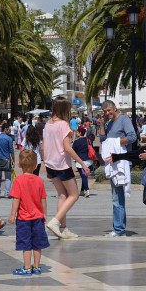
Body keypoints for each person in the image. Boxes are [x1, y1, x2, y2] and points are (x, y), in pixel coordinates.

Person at [43, 97, 90, 239]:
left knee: (62, 195)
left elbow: (43, 146)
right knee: (74, 195)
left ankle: (63, 229)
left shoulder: (47, 124)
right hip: (62, 165)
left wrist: (45, 164)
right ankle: (56, 222)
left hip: (50, 164)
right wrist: (82, 163)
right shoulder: (64, 125)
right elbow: (67, 148)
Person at [98, 100, 137, 237]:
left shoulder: (124, 119)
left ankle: (119, 229)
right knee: (117, 197)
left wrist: (115, 142)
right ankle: (119, 227)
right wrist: (102, 125)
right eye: (105, 112)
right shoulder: (110, 123)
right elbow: (103, 138)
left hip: (121, 163)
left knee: (117, 197)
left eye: (109, 110)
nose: (107, 113)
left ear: (115, 108)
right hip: (113, 163)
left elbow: (132, 137)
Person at [8, 150, 49, 276]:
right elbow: (43, 199)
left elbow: (16, 200)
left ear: (19, 164)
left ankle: (26, 267)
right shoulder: (39, 181)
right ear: (36, 165)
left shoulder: (18, 181)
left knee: (26, 244)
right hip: (38, 217)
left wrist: (12, 214)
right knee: (37, 244)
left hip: (24, 219)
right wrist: (44, 214)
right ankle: (36, 267)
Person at [72, 126, 95, 198]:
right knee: (84, 176)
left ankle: (87, 190)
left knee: (83, 176)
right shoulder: (88, 140)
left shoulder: (76, 142)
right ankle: (82, 191)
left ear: (79, 132)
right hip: (89, 161)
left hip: (80, 162)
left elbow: (73, 151)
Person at [0, 123, 15, 199]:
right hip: (7, 160)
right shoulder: (9, 139)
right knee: (8, 178)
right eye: (9, 129)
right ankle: (7, 193)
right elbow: (11, 151)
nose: (9, 131)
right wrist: (13, 160)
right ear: (5, 129)